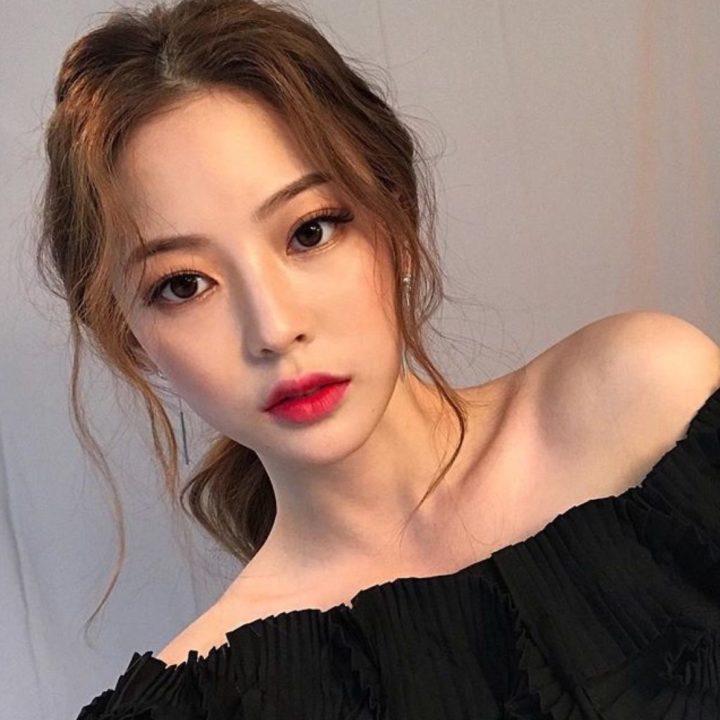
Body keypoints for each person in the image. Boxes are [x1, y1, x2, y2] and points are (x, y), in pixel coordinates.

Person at [36, 0, 720, 717]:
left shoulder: (644, 400)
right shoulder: (202, 704)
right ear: (130, 336)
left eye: (309, 232)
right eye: (184, 285)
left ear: (395, 218)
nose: (274, 329)